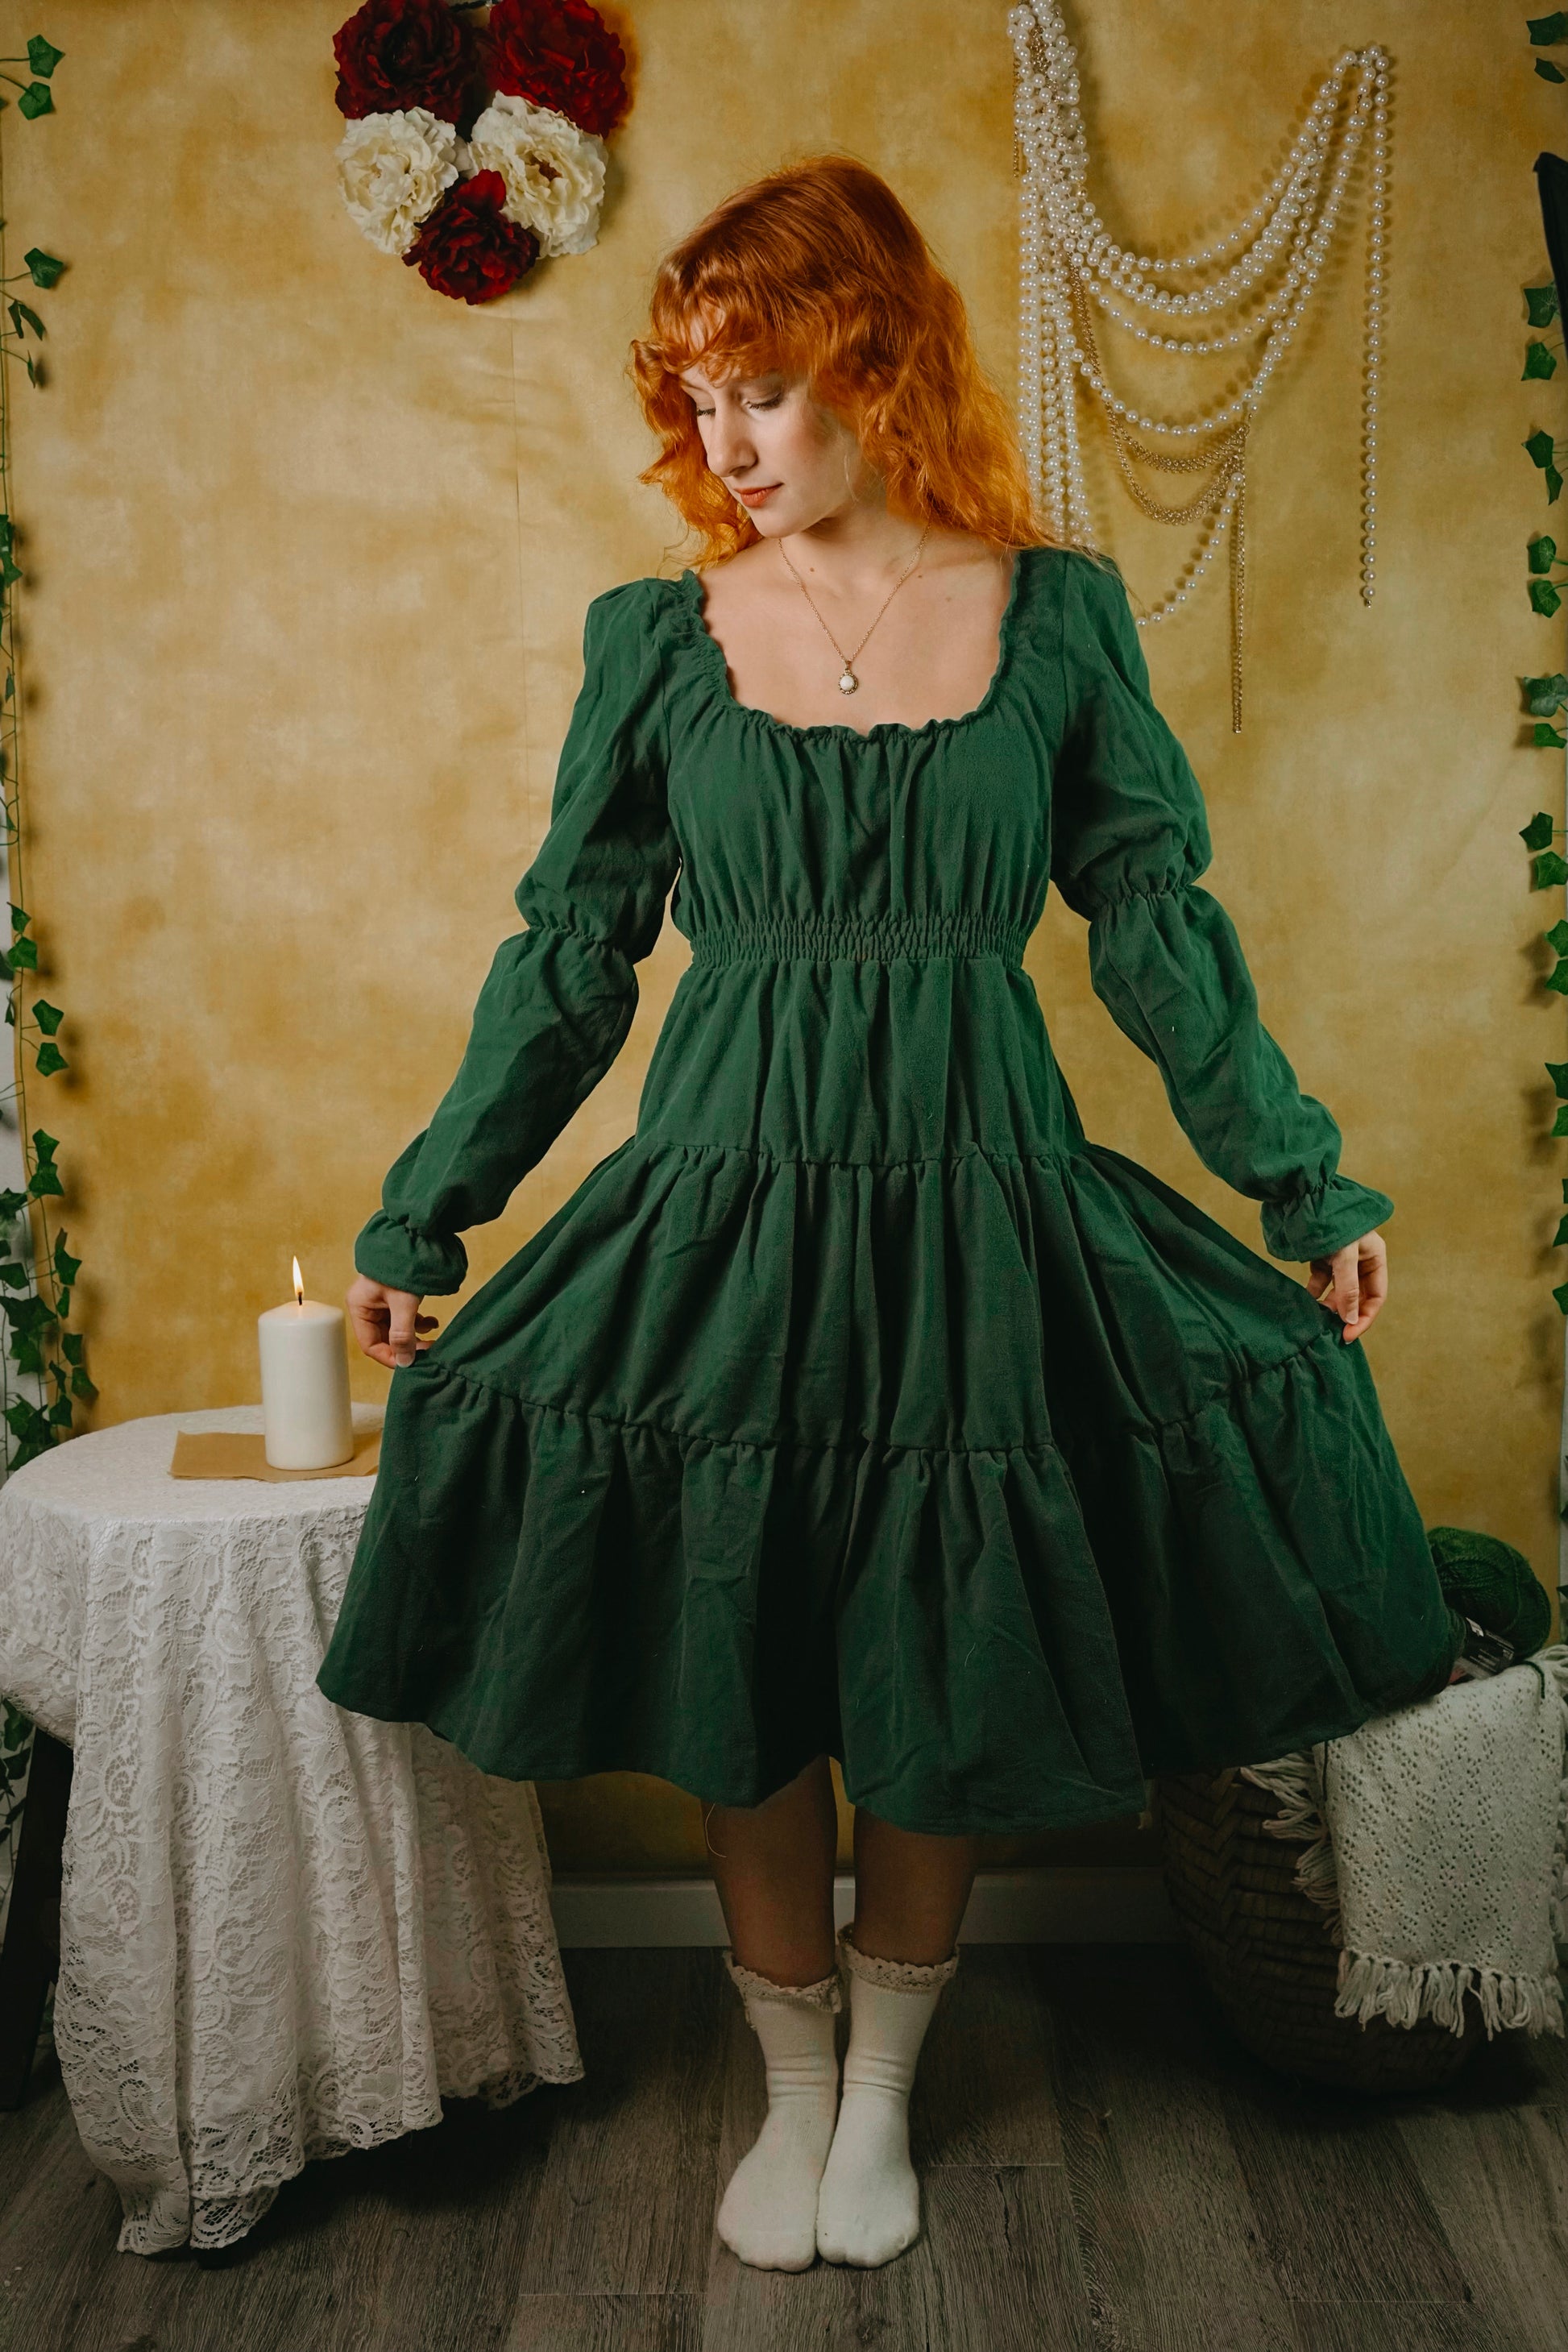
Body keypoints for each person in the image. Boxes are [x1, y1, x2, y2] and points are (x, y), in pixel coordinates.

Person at [314, 154, 1458, 2273]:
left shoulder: (1060, 618)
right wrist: (424, 1215)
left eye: (760, 389)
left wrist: (1298, 1174)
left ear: (876, 360)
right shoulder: (656, 641)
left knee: (937, 1633)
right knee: (741, 1631)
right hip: (726, 1210)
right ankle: (789, 2077)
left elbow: (1151, 924)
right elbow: (571, 958)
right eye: (697, 399)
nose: (725, 442)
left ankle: (882, 2094)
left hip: (977, 1204)